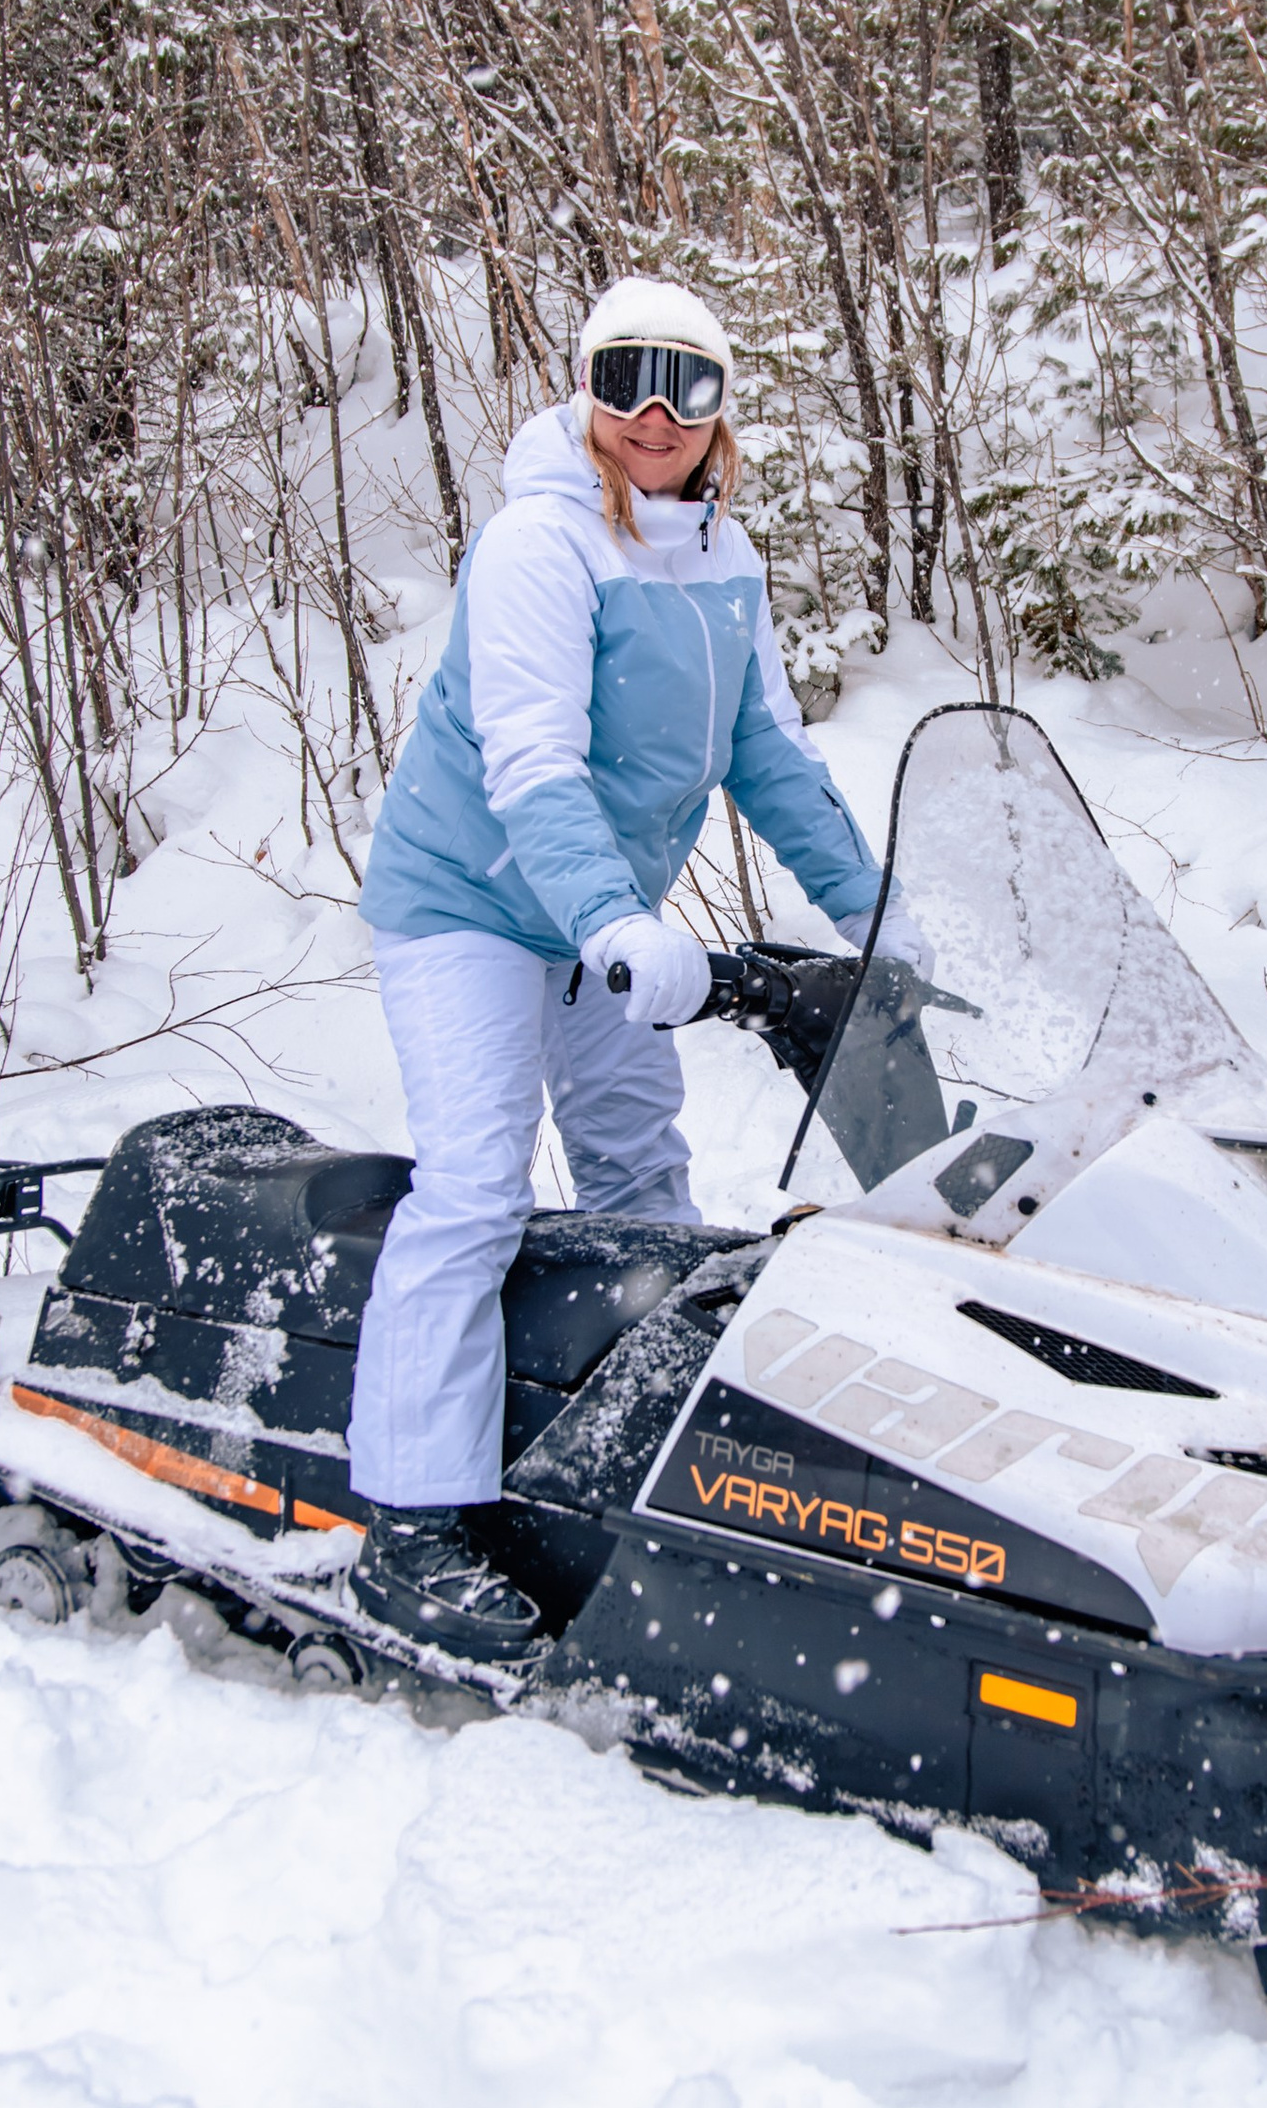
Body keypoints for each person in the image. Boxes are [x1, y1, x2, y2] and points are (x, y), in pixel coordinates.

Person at [344, 276, 911, 1656]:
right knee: (478, 1184)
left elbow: (769, 755)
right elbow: (530, 756)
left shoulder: (725, 561)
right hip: (471, 906)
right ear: (585, 393)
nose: (653, 415)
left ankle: (611, 1459)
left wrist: (881, 913)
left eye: (688, 385)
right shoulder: (541, 541)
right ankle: (412, 1521)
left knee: (643, 1177)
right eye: (623, 381)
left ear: (723, 413)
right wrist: (613, 921)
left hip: (598, 920)